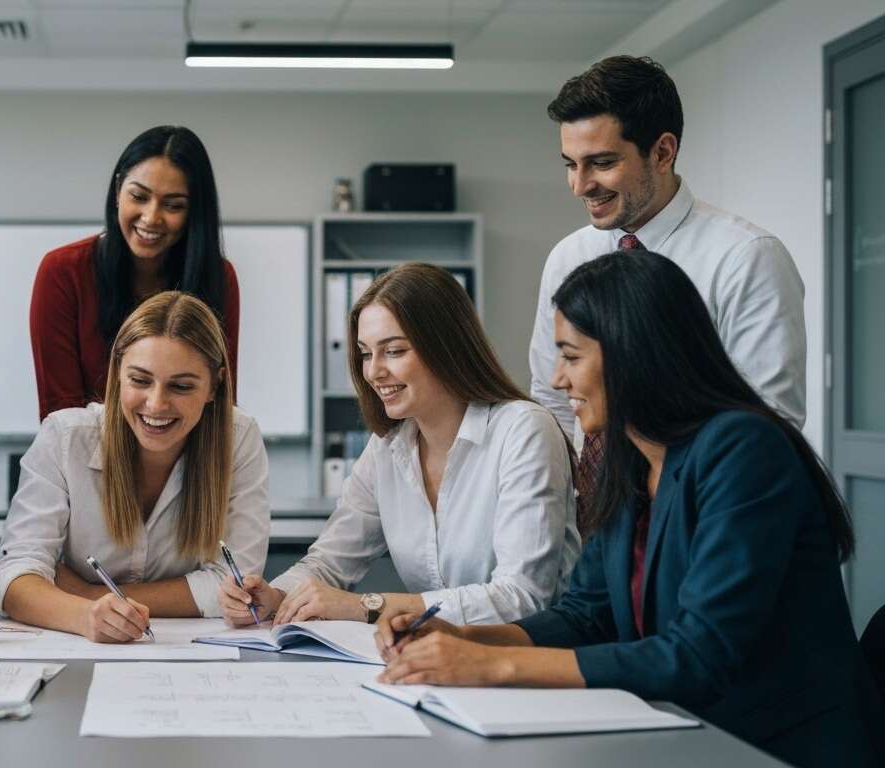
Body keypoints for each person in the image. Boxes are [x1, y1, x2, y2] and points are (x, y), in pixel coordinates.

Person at [378, 251, 882, 768]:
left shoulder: (743, 449)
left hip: (778, 746)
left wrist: (492, 664)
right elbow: (587, 616)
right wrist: (466, 637)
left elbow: (698, 655)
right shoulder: (633, 457)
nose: (556, 379)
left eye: (571, 357)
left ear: (632, 354)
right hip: (683, 733)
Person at [218, 264, 579, 628]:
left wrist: (368, 606)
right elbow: (327, 563)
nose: (373, 372)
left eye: (393, 351)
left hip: (534, 664)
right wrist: (276, 597)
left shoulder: (524, 431)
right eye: (365, 353)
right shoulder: (388, 448)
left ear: (446, 346)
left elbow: (522, 597)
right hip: (445, 665)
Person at [529, 55, 805, 526]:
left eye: (601, 163)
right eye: (571, 165)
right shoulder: (567, 257)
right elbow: (552, 399)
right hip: (593, 517)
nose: (580, 185)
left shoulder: (745, 256)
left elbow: (768, 422)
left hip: (701, 515)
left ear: (662, 151)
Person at [0, 291, 268, 642]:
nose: (156, 404)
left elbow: (233, 583)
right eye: (140, 380)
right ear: (117, 373)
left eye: (181, 386)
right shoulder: (65, 437)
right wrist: (85, 616)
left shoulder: (239, 438)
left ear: (213, 386)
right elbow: (12, 575)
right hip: (78, 647)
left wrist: (90, 594)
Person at [29, 125, 240, 420]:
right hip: (86, 458)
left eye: (173, 205)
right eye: (139, 196)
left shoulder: (218, 277)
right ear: (118, 191)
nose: (151, 217)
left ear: (195, 212)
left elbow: (217, 399)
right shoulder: (63, 272)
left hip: (188, 459)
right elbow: (61, 416)